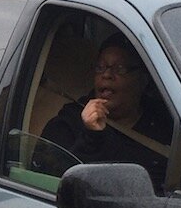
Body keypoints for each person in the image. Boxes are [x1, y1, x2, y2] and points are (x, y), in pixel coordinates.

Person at [35, 33, 173, 189]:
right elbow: (52, 183)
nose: (106, 75)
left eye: (120, 69)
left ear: (142, 80)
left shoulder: (166, 124)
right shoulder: (68, 122)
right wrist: (91, 137)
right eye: (100, 68)